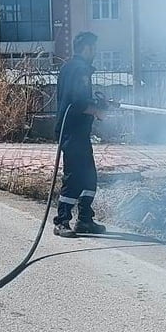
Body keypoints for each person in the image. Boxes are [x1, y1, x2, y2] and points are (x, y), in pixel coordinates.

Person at [53, 32, 108, 238]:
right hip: (72, 131)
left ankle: (85, 219)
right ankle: (62, 221)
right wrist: (97, 110)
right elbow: (77, 102)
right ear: (87, 48)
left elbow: (78, 98)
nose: (95, 52)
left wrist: (98, 104)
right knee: (74, 176)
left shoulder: (72, 68)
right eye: (94, 48)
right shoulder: (79, 69)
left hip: (78, 131)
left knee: (88, 176)